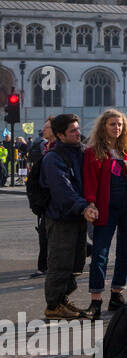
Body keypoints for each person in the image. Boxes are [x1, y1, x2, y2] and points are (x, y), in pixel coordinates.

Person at [82, 108, 127, 319]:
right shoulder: (93, 152)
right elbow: (90, 182)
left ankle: (117, 294)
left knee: (126, 253)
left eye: (120, 125)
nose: (117, 128)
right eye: (112, 124)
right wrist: (91, 204)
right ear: (104, 127)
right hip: (104, 208)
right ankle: (95, 300)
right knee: (100, 254)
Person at [41, 113, 95, 320]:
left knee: (76, 263)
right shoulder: (53, 158)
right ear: (60, 135)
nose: (78, 133)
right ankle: (53, 305)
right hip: (61, 218)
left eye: (78, 129)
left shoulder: (81, 151)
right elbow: (62, 190)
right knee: (60, 263)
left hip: (78, 217)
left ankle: (62, 299)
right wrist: (83, 207)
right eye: (73, 131)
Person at [26, 119, 53, 279]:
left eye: (47, 128)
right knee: (44, 234)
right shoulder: (45, 147)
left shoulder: (55, 150)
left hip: (50, 201)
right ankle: (42, 266)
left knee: (46, 234)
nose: (43, 130)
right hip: (44, 201)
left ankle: (42, 267)